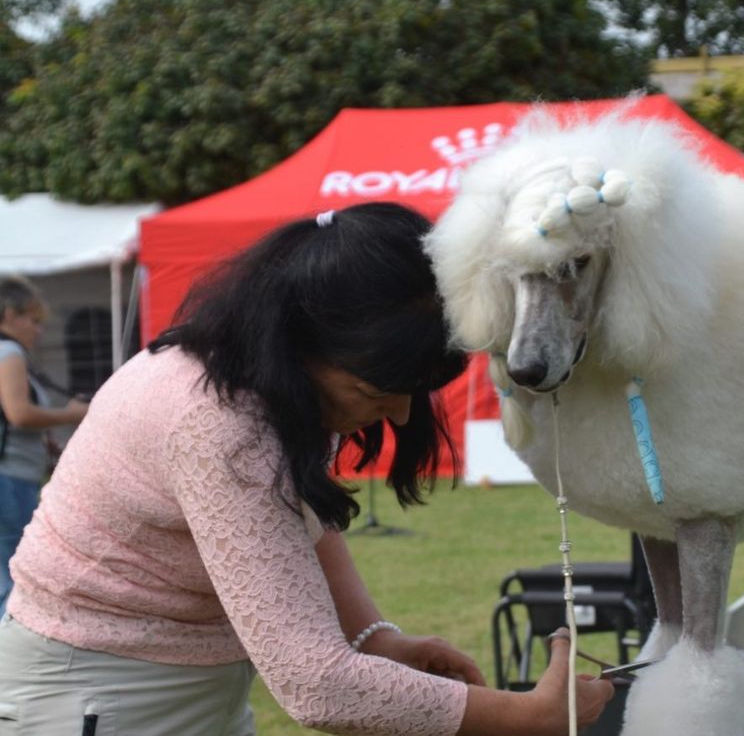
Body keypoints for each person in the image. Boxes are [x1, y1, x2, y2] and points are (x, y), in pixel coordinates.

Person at [0, 203, 613, 734]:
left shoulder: (261, 378)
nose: (400, 416)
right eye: (380, 389)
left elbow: (295, 524)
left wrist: (375, 636)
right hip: (97, 697)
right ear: (306, 343)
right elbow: (318, 686)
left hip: (177, 685)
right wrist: (527, 719)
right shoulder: (216, 423)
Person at [0, 276, 88, 613]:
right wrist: (69, 415)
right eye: (33, 321)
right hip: (9, 476)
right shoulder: (9, 352)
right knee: (13, 574)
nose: (38, 332)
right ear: (9, 313)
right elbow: (18, 413)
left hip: (13, 472)